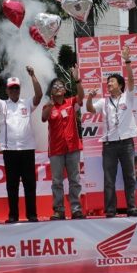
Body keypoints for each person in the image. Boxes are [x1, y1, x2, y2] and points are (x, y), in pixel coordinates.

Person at [87, 46, 137, 218]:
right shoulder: (103, 102)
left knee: (130, 177)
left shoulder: (128, 97)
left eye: (111, 82)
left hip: (127, 143)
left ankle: (132, 207)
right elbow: (90, 109)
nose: (109, 84)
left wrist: (128, 62)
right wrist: (90, 98)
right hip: (109, 145)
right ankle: (110, 210)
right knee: (109, 179)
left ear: (120, 85)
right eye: (108, 82)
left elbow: (131, 81)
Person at [0, 66, 43, 223]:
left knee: (29, 184)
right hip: (10, 150)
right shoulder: (2, 104)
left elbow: (39, 95)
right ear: (7, 90)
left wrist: (33, 76)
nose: (14, 91)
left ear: (19, 89)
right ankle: (13, 215)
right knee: (12, 185)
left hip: (27, 149)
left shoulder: (26, 103)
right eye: (11, 88)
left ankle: (32, 214)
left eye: (16, 88)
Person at [42, 68, 85, 220]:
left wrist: (77, 80)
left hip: (73, 147)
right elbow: (43, 118)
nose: (59, 87)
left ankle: (76, 209)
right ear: (51, 92)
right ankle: (59, 210)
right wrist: (49, 105)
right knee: (57, 181)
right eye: (55, 86)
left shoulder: (71, 102)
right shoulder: (49, 106)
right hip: (56, 150)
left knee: (75, 180)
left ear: (65, 90)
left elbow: (81, 97)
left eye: (61, 85)